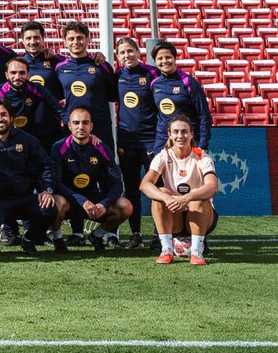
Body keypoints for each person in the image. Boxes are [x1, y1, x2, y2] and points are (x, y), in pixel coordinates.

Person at [0, 100, 64, 255]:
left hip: (24, 197)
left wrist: (46, 189)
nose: (0, 119)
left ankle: (28, 239)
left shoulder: (27, 140)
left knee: (49, 208)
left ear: (11, 117)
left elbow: (47, 165)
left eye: (3, 114)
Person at [52, 106, 133, 251]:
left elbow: (117, 183)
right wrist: (82, 201)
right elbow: (55, 183)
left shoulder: (101, 148)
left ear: (91, 126)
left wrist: (104, 204)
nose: (80, 127)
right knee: (56, 202)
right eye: (76, 123)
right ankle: (57, 239)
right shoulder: (58, 148)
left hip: (93, 202)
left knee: (125, 206)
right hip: (69, 201)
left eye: (85, 123)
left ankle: (97, 235)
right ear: (69, 126)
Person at [141, 115, 218, 265]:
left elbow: (212, 187)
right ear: (169, 134)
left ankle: (197, 252)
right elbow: (145, 184)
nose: (180, 136)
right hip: (174, 214)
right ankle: (166, 250)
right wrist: (167, 198)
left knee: (197, 197)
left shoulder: (202, 157)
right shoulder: (163, 156)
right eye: (176, 132)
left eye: (184, 131)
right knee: (160, 192)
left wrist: (187, 198)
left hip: (201, 214)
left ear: (191, 134)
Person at [114, 36, 159, 248]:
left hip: (151, 140)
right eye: (122, 52)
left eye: (130, 51)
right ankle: (136, 234)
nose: (127, 55)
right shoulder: (117, 76)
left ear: (138, 52)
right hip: (127, 141)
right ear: (118, 56)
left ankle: (159, 234)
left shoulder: (151, 74)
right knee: (131, 189)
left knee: (157, 188)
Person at [54, 21, 117, 145]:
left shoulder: (101, 65)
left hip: (100, 126)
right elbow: (56, 96)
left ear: (88, 39)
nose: (75, 42)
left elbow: (113, 96)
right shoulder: (60, 68)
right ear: (65, 42)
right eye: (71, 39)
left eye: (80, 38)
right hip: (73, 127)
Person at [148, 41, 213, 155]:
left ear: (175, 58)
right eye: (160, 58)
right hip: (163, 139)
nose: (164, 61)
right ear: (155, 61)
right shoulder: (155, 84)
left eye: (168, 57)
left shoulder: (188, 82)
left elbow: (204, 116)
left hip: (187, 139)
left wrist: (202, 144)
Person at [0, 56, 64, 148]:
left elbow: (59, 110)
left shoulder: (37, 89)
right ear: (6, 75)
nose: (17, 77)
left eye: (22, 73)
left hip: (34, 139)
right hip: (8, 142)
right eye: (13, 73)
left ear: (28, 75)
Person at [17, 20, 61, 97]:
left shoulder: (57, 61)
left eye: (36, 37)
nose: (33, 42)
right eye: (28, 38)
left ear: (43, 39)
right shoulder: (17, 63)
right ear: (23, 41)